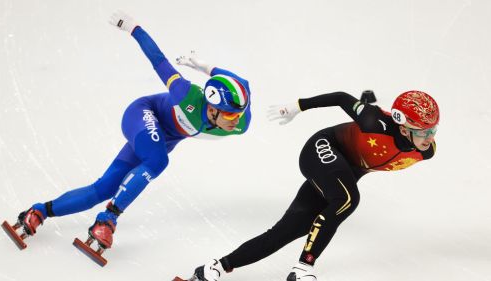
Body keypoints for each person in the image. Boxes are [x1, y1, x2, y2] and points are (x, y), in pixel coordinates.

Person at [3, 11, 252, 257]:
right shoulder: (185, 94)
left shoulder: (241, 122)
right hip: (142, 114)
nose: (235, 122)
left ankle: (38, 212)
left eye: (237, 115)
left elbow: (244, 83)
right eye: (229, 115)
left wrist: (206, 67)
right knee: (158, 160)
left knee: (103, 189)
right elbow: (158, 60)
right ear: (211, 105)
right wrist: (134, 28)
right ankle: (107, 219)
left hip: (157, 139)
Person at [185, 90, 438, 281]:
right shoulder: (374, 122)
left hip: (340, 174)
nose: (430, 137)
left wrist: (369, 101)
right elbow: (341, 98)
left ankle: (214, 268)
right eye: (424, 131)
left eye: (433, 130)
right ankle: (303, 268)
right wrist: (296, 107)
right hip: (323, 148)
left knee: (286, 231)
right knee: (348, 199)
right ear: (404, 128)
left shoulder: (426, 152)